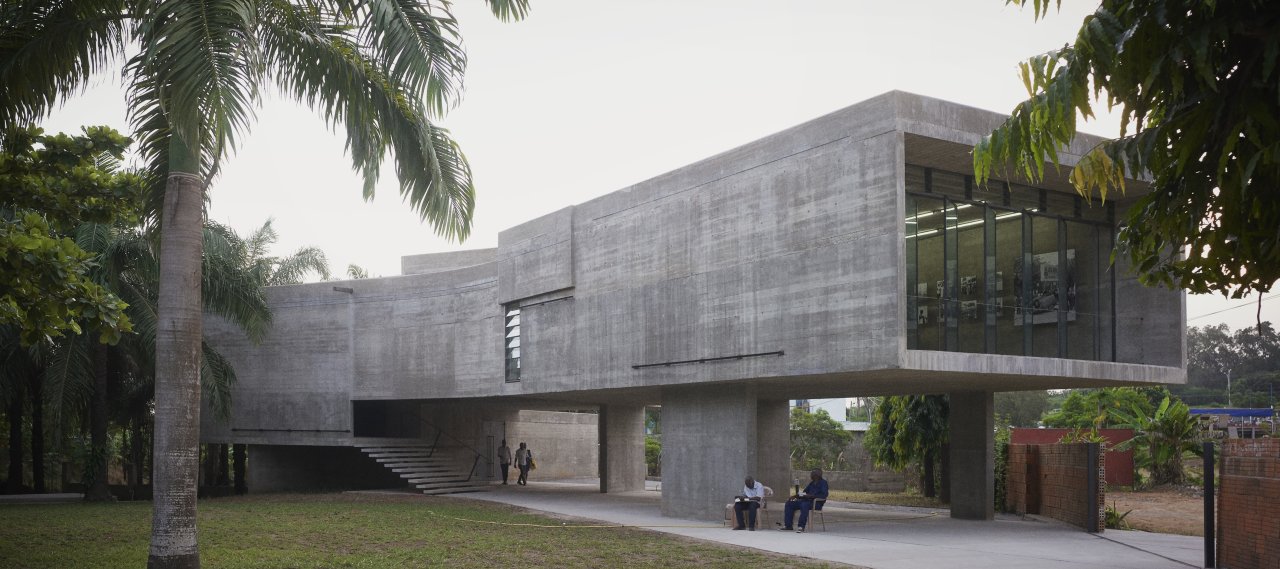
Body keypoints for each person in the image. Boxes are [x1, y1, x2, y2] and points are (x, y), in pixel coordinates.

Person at [780, 468, 828, 532]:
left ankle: (801, 526)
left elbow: (824, 495)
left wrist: (810, 496)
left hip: (816, 503)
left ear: (818, 475)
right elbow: (804, 492)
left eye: (812, 473)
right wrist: (795, 496)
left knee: (804, 505)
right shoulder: (811, 483)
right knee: (789, 503)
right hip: (806, 501)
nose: (811, 475)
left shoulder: (823, 483)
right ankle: (788, 525)